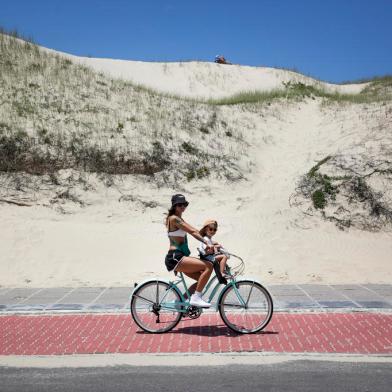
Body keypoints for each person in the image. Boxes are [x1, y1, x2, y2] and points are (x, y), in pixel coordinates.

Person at [165, 194, 214, 308]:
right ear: (175, 206)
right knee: (209, 266)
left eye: (185, 204)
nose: (183, 207)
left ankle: (180, 303)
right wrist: (206, 242)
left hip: (179, 256)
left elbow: (195, 231)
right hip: (175, 257)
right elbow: (192, 231)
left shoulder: (178, 218)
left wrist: (211, 241)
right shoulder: (174, 219)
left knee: (201, 280)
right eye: (180, 205)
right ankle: (196, 298)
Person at [198, 220, 229, 285]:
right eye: (211, 229)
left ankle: (222, 271)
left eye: (215, 230)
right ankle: (222, 273)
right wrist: (213, 247)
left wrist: (216, 245)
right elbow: (206, 250)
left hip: (208, 257)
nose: (212, 231)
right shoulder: (205, 239)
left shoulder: (209, 239)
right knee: (224, 256)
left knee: (222, 259)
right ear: (205, 230)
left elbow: (212, 244)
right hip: (206, 257)